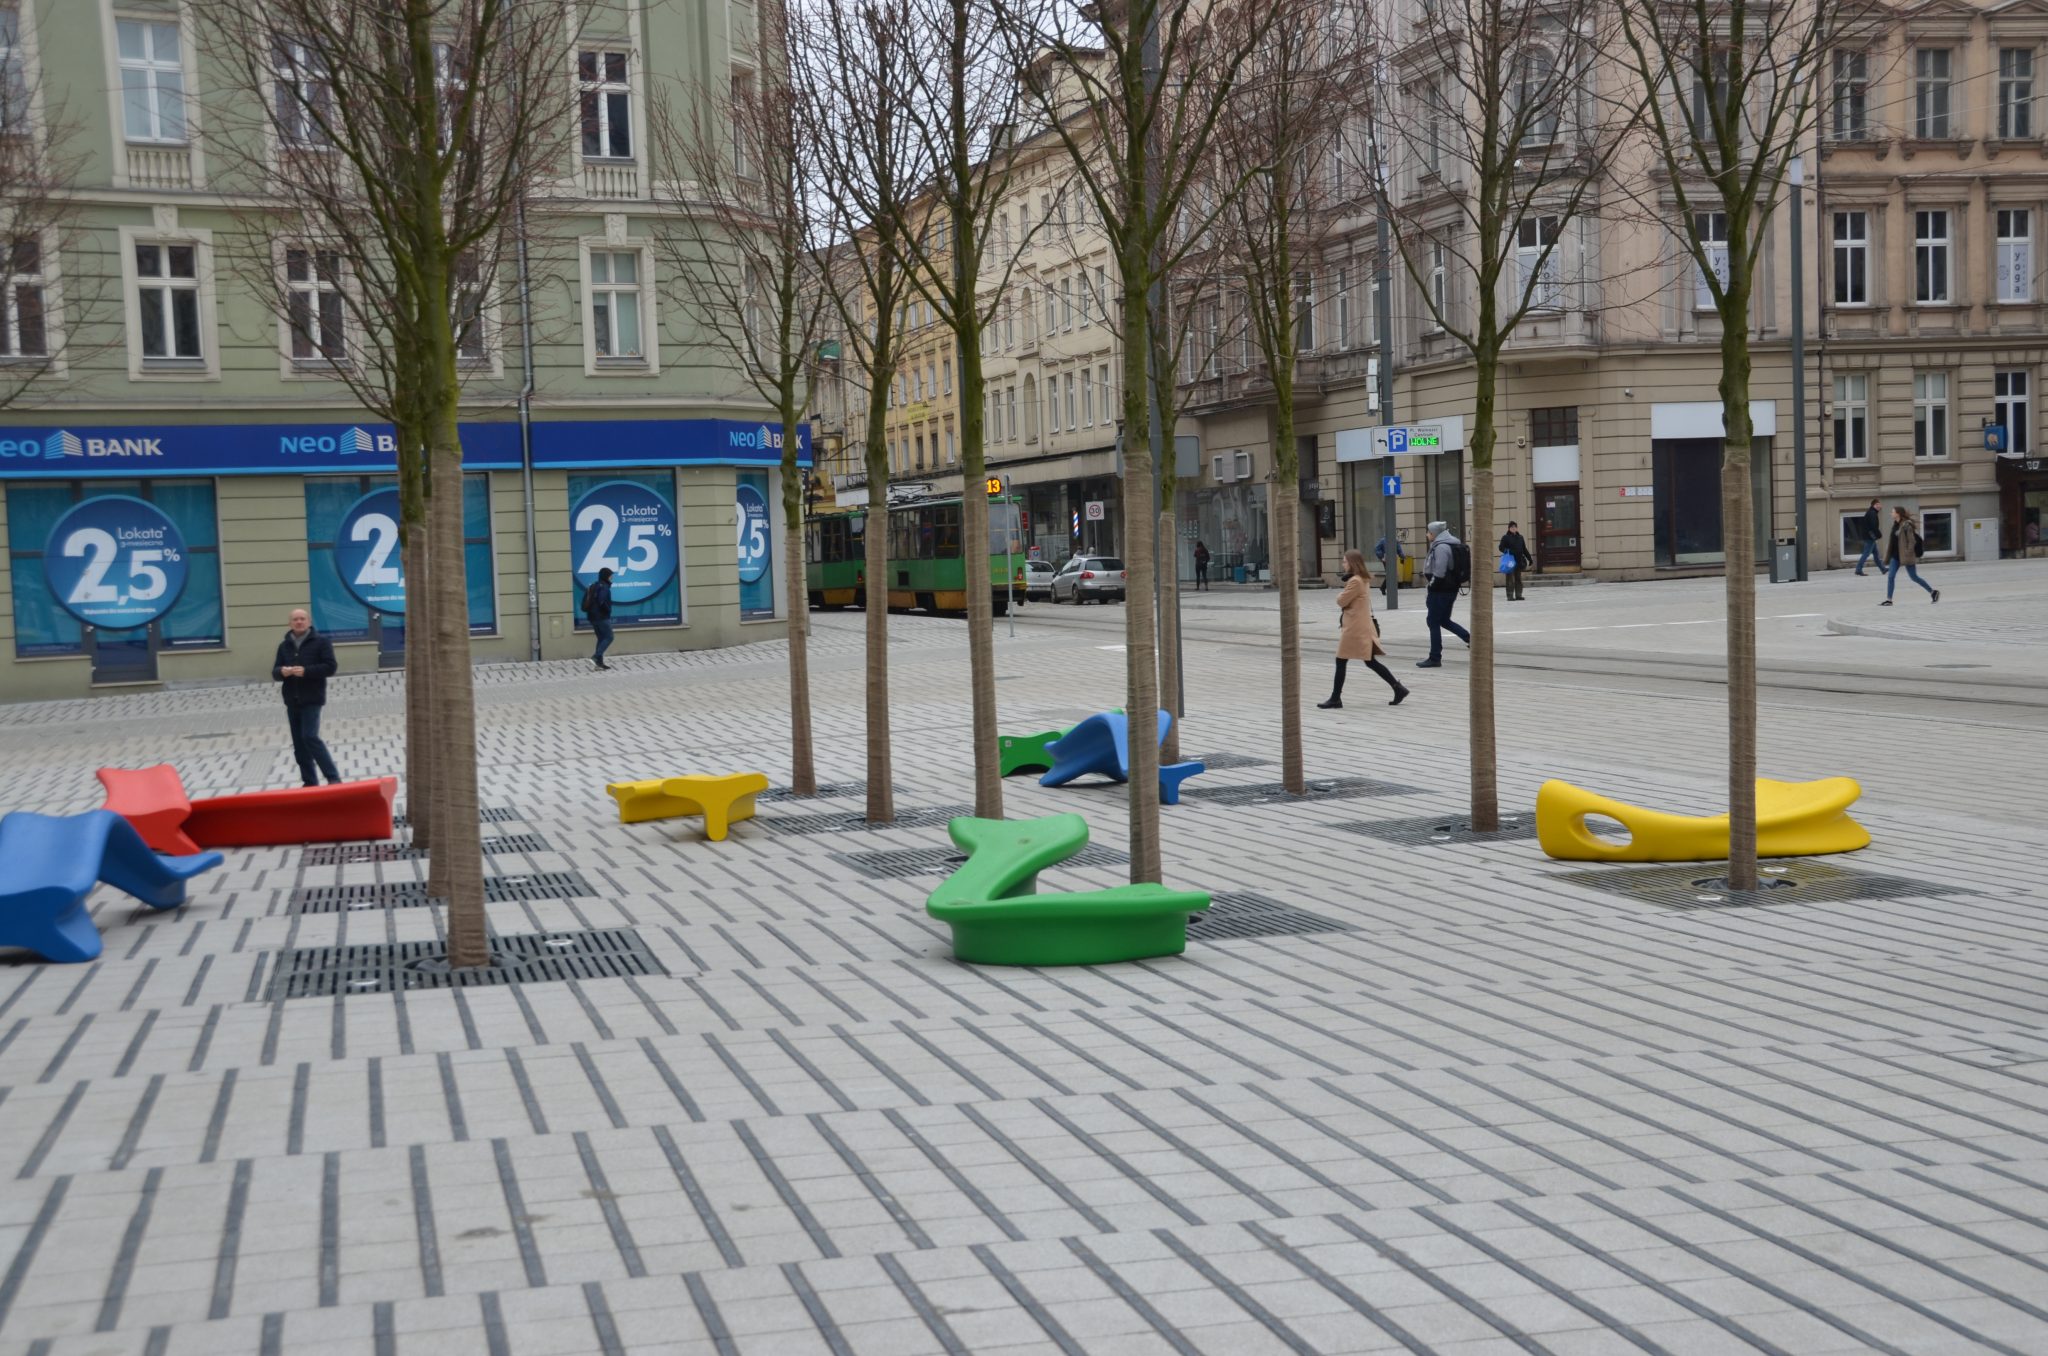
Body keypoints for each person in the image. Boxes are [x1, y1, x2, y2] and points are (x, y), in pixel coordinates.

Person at [1319, 550, 1410, 709]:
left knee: (1341, 660)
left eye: (1345, 561)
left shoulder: (1355, 581)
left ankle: (1335, 699)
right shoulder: (1361, 579)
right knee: (1369, 661)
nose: (1343, 564)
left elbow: (1341, 601)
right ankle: (1398, 688)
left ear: (1352, 563)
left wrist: (1340, 594)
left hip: (1355, 628)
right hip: (1360, 626)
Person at [272, 608, 341, 787]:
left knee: (310, 737)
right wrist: (282, 672)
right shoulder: (284, 646)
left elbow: (330, 667)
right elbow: (275, 672)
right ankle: (309, 782)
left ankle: (333, 778)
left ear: (309, 622)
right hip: (292, 699)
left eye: (302, 619)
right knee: (299, 745)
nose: (299, 622)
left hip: (312, 698)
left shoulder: (321, 642)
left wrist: (306, 671)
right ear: (290, 623)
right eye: (295, 619)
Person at [1416, 520, 1471, 667]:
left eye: (1428, 532)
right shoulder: (1451, 543)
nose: (1427, 534)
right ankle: (1469, 638)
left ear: (1434, 533)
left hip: (1440, 590)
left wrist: (1431, 586)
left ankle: (1435, 657)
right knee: (1444, 620)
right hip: (1450, 588)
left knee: (1433, 621)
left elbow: (1439, 572)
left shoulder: (1441, 547)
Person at [1882, 506, 1939, 605]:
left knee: (1914, 577)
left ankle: (1933, 592)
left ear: (1898, 514)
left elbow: (1912, 541)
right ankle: (1889, 600)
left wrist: (1908, 553)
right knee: (1891, 577)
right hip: (1895, 556)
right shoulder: (1895, 525)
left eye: (1892, 512)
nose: (1891, 513)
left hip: (1906, 556)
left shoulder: (1906, 525)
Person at [583, 567, 615, 669]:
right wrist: (608, 610)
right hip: (602, 617)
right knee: (609, 637)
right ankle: (596, 657)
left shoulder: (594, 585)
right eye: (610, 576)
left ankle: (599, 664)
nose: (611, 578)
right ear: (606, 576)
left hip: (592, 617)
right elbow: (601, 601)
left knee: (601, 638)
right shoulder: (604, 587)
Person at [1498, 521, 1533, 601]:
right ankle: (1510, 596)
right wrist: (1507, 551)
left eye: (1515, 527)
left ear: (1517, 528)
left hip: (1519, 561)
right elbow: (1500, 547)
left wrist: (1529, 558)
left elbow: (1524, 549)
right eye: (1512, 527)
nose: (1513, 528)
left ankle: (1518, 595)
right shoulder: (1505, 537)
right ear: (1509, 528)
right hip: (1510, 561)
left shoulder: (1520, 537)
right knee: (1510, 579)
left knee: (1518, 579)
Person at [1854, 498, 1883, 576]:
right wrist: (1879, 534)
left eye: (1879, 504)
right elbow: (1873, 526)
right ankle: (1858, 569)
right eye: (1876, 504)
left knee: (1876, 555)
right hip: (1870, 537)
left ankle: (1883, 569)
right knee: (1866, 554)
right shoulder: (1872, 513)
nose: (1878, 506)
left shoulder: (1871, 512)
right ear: (1873, 505)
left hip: (1869, 536)